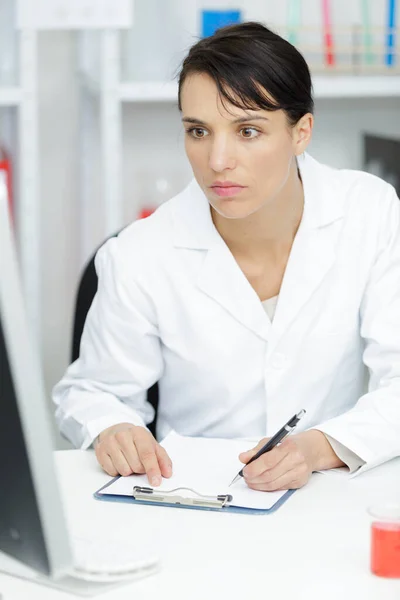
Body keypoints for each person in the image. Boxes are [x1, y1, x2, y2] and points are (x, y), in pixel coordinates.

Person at [53, 22, 400, 493]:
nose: (217, 160)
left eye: (248, 130)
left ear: (301, 133)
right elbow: (92, 391)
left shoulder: (370, 213)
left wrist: (319, 447)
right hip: (191, 501)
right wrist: (111, 427)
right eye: (198, 130)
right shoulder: (140, 252)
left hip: (326, 493)